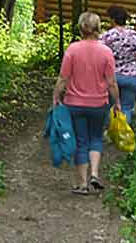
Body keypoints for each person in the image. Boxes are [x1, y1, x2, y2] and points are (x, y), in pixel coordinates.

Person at [52, 12, 120, 195]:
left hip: (75, 104)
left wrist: (56, 97)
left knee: (81, 142)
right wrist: (117, 102)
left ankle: (82, 184)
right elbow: (112, 82)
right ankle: (95, 174)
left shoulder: (73, 49)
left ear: (81, 28)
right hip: (99, 104)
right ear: (98, 28)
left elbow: (63, 78)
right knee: (96, 138)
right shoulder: (106, 52)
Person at [101, 6, 136, 125]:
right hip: (131, 76)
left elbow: (101, 56)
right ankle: (123, 135)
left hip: (112, 76)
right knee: (127, 108)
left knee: (109, 106)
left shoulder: (107, 36)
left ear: (113, 19)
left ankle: (109, 134)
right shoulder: (134, 35)